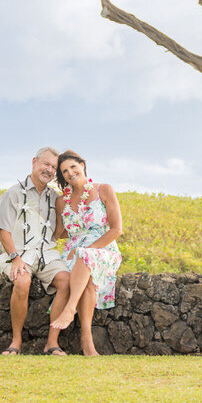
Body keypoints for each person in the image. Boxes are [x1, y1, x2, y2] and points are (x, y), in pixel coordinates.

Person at [0, 147, 71, 355]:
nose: (49, 170)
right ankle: (16, 342)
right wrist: (14, 258)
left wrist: (65, 212)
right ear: (34, 162)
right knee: (23, 280)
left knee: (67, 281)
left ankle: (52, 343)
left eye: (53, 167)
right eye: (46, 164)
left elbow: (59, 234)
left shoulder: (55, 197)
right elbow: (4, 231)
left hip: (46, 253)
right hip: (17, 252)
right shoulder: (13, 193)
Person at [49, 149, 123, 356]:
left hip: (104, 247)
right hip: (72, 253)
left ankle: (70, 309)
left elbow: (117, 229)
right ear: (62, 177)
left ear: (82, 165)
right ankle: (87, 343)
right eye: (64, 171)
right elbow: (60, 233)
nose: (70, 173)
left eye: (73, 166)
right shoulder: (61, 201)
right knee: (86, 279)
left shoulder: (104, 190)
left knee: (85, 256)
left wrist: (87, 249)